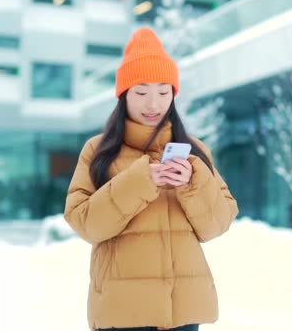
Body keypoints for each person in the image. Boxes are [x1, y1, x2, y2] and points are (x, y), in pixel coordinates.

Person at [64, 27, 239, 331]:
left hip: (183, 311)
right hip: (123, 311)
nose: (153, 104)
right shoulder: (98, 150)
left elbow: (217, 224)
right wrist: (138, 181)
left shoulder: (196, 152)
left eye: (163, 91)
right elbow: (84, 223)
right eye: (141, 92)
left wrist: (193, 184)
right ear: (124, 95)